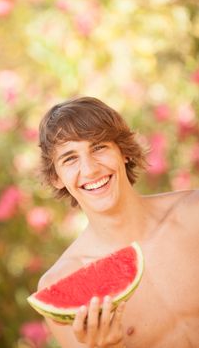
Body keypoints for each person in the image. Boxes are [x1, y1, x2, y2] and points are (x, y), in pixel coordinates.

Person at [37, 96, 199, 348]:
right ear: (56, 177)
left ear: (123, 151)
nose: (90, 170)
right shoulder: (60, 282)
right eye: (70, 158)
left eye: (99, 147)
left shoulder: (193, 214)